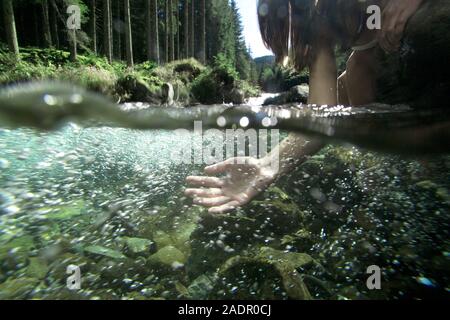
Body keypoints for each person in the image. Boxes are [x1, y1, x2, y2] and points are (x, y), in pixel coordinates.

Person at [185, 0, 426, 214]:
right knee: (356, 76)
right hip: (399, 69)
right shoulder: (323, 33)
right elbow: (322, 115)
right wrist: (267, 166)